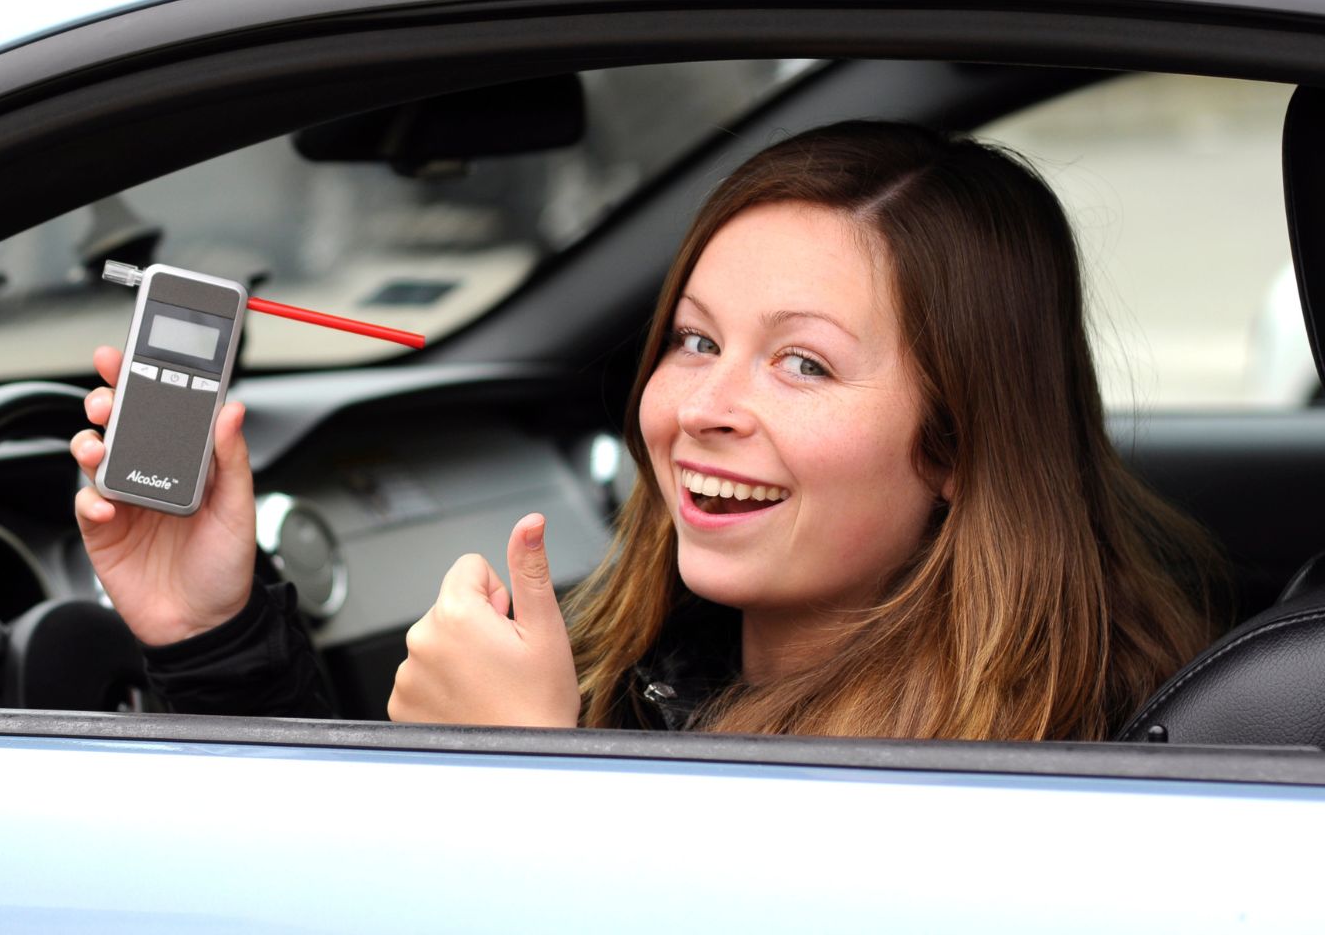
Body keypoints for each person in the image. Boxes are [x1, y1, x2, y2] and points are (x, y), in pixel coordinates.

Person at [69, 120, 1219, 740]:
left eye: (803, 363)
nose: (702, 410)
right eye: (695, 340)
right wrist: (210, 631)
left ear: (959, 446)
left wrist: (530, 786)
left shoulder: (1021, 789)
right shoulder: (670, 673)